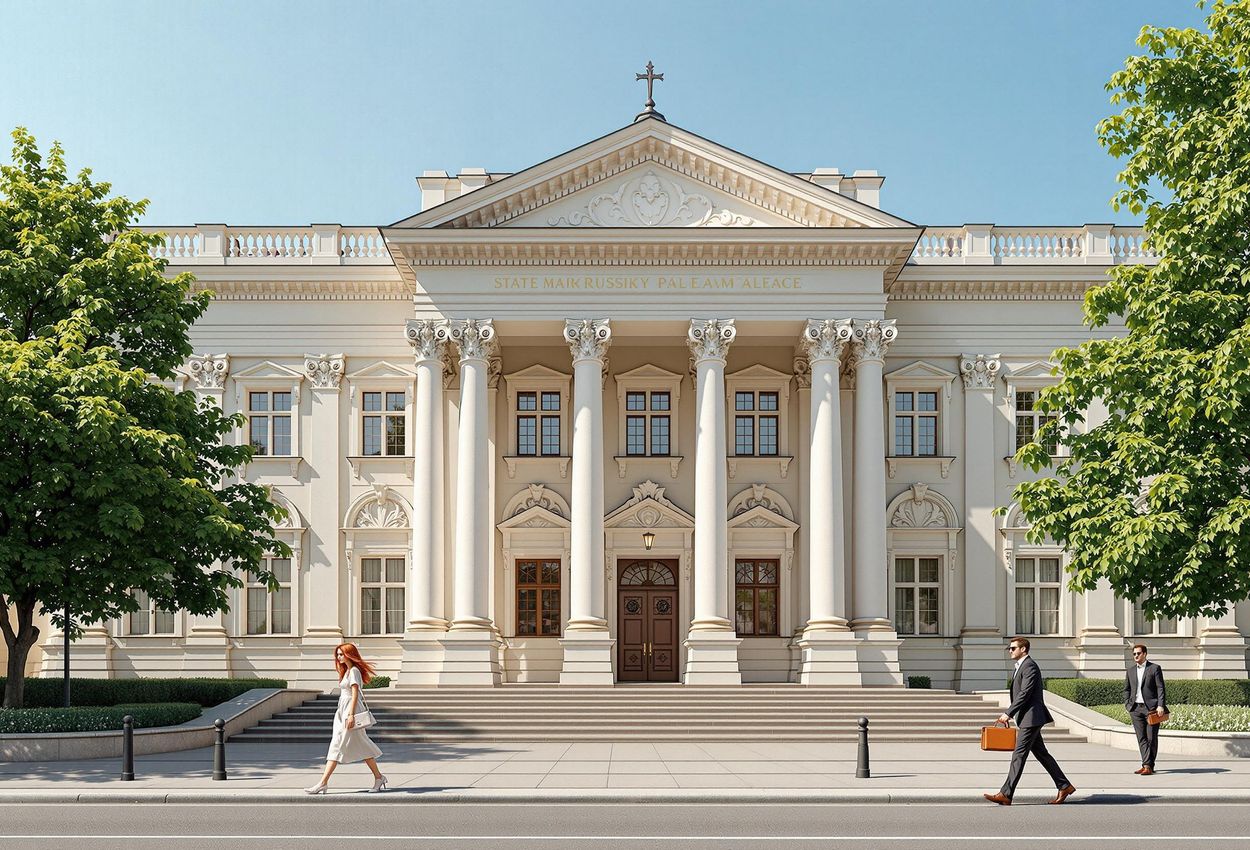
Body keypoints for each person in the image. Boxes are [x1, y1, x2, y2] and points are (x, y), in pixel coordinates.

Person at [984, 637, 1077, 806]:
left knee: (1018, 755)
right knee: (1042, 754)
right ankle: (1065, 785)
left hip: (1031, 718)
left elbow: (1025, 693)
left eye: (1013, 648)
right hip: (1028, 717)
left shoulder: (1030, 666)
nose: (1010, 651)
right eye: (1010, 648)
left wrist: (1008, 713)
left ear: (1024, 649)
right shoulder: (1021, 666)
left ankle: (1006, 793)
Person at [304, 643, 387, 794]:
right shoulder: (347, 671)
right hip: (342, 711)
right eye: (337, 654)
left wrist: (350, 715)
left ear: (349, 654)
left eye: (341, 654)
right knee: (359, 745)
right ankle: (379, 777)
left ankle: (323, 783)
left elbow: (355, 694)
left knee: (337, 745)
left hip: (350, 711)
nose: (338, 657)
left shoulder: (354, 671)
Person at [1124, 643, 1166, 775]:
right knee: (1141, 738)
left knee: (1151, 738)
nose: (1136, 656)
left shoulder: (1154, 668)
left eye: (1138, 653)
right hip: (1135, 708)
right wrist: (1127, 704)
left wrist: (1161, 705)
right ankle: (1146, 765)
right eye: (1134, 654)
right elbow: (1127, 689)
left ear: (1145, 654)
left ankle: (1148, 765)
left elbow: (1160, 688)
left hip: (1151, 709)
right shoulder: (1130, 671)